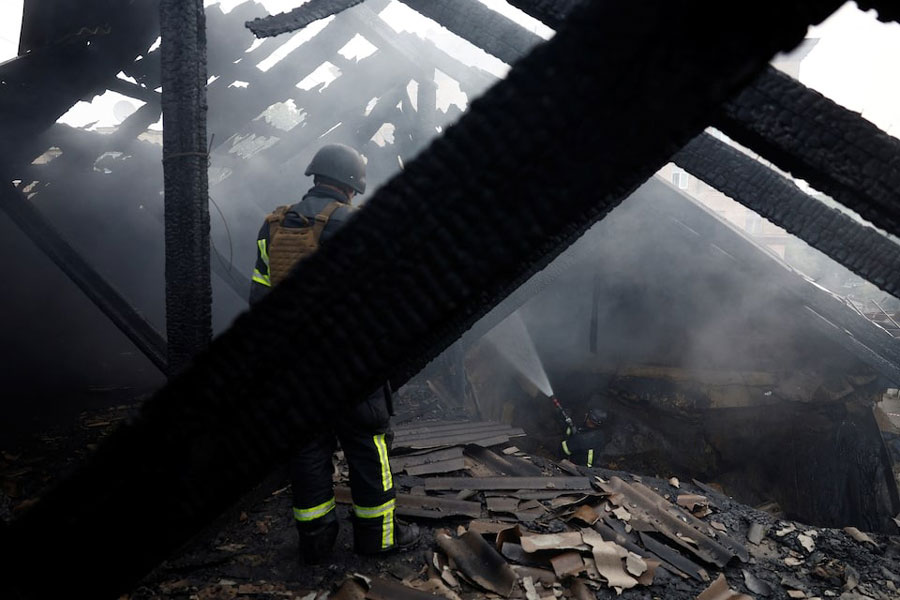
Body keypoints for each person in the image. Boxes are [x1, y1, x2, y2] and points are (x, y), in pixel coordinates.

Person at [250, 143, 419, 563]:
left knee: (307, 449)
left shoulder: (275, 224)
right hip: (348, 364)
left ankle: (316, 542)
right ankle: (378, 540)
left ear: (316, 175)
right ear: (352, 184)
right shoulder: (352, 224)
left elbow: (259, 297)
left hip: (293, 366)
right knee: (367, 446)